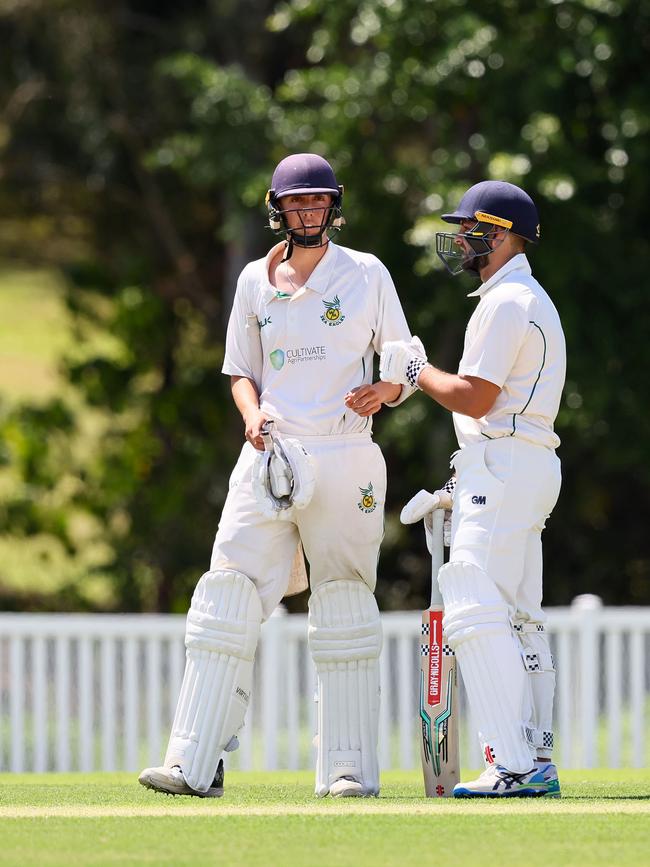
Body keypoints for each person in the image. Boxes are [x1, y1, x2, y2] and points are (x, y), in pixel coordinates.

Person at [139, 153, 415, 799]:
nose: (308, 211)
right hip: (270, 455)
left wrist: (388, 391)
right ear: (278, 208)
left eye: (317, 201)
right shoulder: (254, 281)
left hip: (345, 452)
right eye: (297, 203)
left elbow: (405, 355)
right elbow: (241, 369)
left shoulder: (366, 272)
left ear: (333, 205)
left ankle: (346, 768)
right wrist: (250, 414)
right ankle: (195, 760)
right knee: (226, 594)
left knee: (343, 600)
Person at [380, 180, 566, 797]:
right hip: (521, 466)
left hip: (505, 464)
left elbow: (474, 396)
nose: (462, 238)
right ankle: (535, 758)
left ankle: (512, 764)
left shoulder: (508, 300)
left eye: (473, 229)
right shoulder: (524, 296)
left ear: (505, 234)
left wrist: (414, 368)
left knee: (472, 608)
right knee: (517, 620)